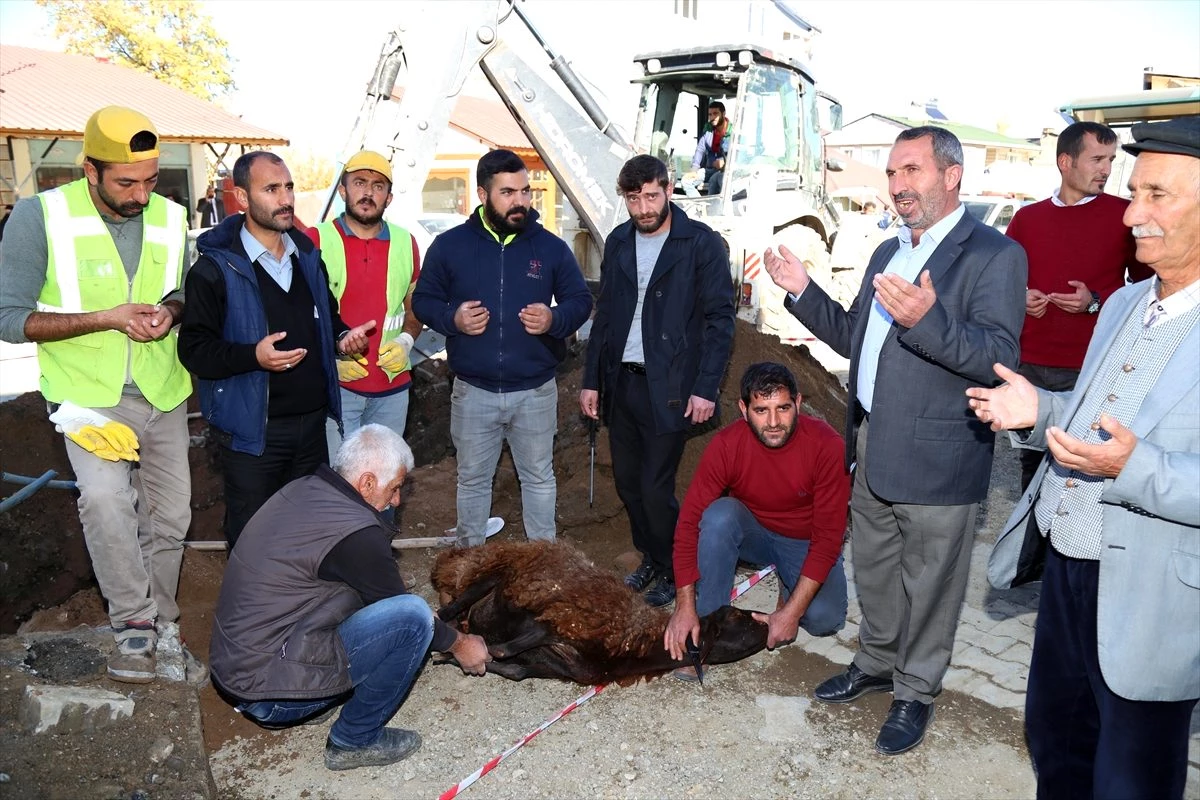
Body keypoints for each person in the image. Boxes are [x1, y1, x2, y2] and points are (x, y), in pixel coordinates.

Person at [764, 126, 1026, 755]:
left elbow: (998, 356)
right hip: (873, 445)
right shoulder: (886, 253)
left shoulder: (993, 255)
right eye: (891, 173)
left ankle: (915, 691)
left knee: (933, 586)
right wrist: (801, 289)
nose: (898, 185)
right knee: (876, 572)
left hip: (942, 458)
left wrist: (925, 320)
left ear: (952, 174)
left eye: (911, 170)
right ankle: (877, 662)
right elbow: (856, 337)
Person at [969, 115, 1200, 800]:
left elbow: (1131, 458)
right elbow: (1094, 419)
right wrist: (1039, 412)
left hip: (1153, 598)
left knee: (1130, 781)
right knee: (1057, 748)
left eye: (1158, 196)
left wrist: (1131, 470)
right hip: (1068, 576)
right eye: (1134, 192)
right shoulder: (1126, 302)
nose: (1132, 214)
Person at [0, 106, 204, 685]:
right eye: (125, 182)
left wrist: (170, 311)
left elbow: (187, 293)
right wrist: (107, 319)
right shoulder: (42, 217)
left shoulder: (168, 216)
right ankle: (134, 624)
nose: (141, 194)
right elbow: (9, 318)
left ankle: (165, 623)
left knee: (171, 517)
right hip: (88, 395)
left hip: (162, 391)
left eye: (150, 180)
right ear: (89, 169)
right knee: (107, 500)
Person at [209, 424, 490, 771]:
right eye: (396, 487)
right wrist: (461, 644)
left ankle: (305, 696)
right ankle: (354, 739)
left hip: (237, 671)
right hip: (266, 693)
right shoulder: (355, 534)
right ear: (368, 482)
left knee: (374, 601)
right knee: (414, 617)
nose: (397, 500)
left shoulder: (304, 488)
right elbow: (404, 612)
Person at [177, 151, 372, 549]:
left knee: (306, 536)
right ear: (243, 198)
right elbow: (194, 351)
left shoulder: (308, 258)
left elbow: (326, 318)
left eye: (288, 187)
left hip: (312, 428)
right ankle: (254, 613)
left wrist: (342, 339)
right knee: (254, 541)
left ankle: (302, 612)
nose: (285, 199)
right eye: (271, 189)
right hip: (253, 435)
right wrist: (253, 357)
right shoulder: (214, 269)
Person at [411, 149, 592, 547]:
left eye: (525, 192)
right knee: (473, 480)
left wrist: (554, 320)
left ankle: (543, 563)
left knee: (539, 478)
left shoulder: (549, 248)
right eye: (508, 192)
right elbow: (423, 300)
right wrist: (453, 318)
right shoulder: (450, 245)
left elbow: (581, 301)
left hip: (536, 391)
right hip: (473, 391)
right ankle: (470, 564)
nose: (520, 201)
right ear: (482, 194)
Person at [580, 154, 735, 607]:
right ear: (625, 199)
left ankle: (674, 568)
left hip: (670, 388)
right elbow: (604, 317)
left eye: (652, 196)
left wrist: (706, 386)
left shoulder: (699, 244)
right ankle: (649, 556)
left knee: (654, 487)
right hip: (622, 384)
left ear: (668, 190)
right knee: (628, 484)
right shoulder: (619, 243)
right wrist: (591, 380)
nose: (645, 208)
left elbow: (720, 320)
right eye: (635, 199)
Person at [664, 362, 851, 678]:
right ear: (743, 409)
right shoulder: (726, 446)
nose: (774, 422)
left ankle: (788, 582)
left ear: (799, 403)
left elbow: (828, 539)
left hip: (803, 539)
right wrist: (684, 607)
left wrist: (791, 613)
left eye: (783, 408)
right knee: (718, 516)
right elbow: (687, 524)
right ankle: (709, 628)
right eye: (762, 410)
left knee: (823, 620)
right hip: (753, 531)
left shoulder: (828, 447)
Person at [1006, 121, 1152, 490]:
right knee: (1032, 464)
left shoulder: (1125, 216)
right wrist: (1020, 297)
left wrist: (1095, 303)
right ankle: (1030, 543)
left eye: (1110, 159)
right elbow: (1002, 284)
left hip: (1093, 363)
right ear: (1065, 162)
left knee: (1082, 466)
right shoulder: (1026, 218)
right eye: (1097, 159)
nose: (1106, 169)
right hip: (1030, 363)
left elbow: (1149, 288)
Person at [306, 150, 423, 456]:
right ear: (343, 190)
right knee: (340, 486)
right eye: (359, 183)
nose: (368, 192)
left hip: (392, 387)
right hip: (337, 389)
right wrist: (329, 358)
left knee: (385, 484)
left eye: (378, 186)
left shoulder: (406, 242)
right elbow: (299, 314)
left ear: (389, 198)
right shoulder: (315, 240)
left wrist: (407, 341)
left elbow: (415, 305)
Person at [690, 101, 731, 195]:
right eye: (710, 114)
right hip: (709, 169)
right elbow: (700, 150)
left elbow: (739, 156)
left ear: (723, 114)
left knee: (717, 180)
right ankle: (700, 206)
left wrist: (725, 164)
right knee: (686, 181)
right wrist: (694, 170)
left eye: (715, 114)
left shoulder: (733, 132)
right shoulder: (708, 130)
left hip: (725, 171)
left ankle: (712, 207)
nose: (712, 117)